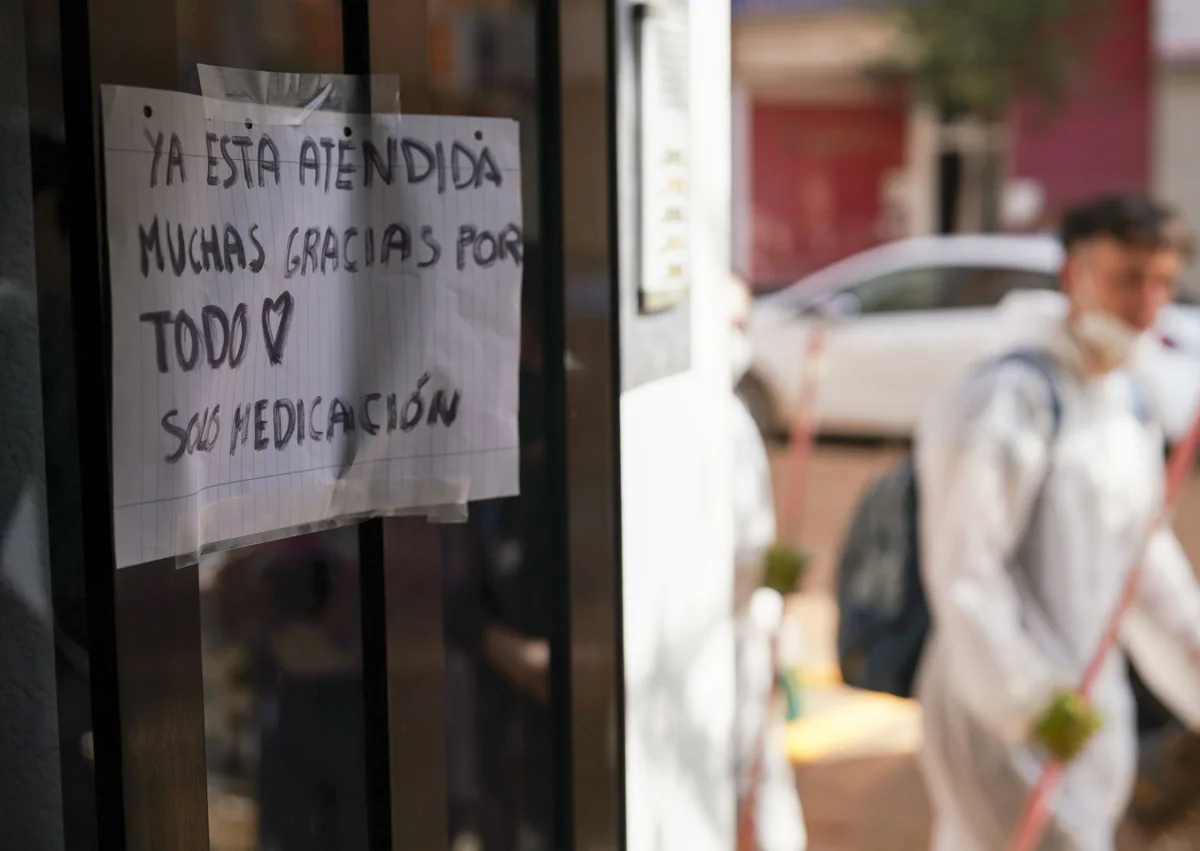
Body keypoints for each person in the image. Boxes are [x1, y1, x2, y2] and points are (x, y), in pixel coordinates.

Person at [915, 193, 1200, 850]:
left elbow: (1145, 568)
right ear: (1075, 274)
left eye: (1162, 282)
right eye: (1128, 278)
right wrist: (1027, 699)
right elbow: (963, 567)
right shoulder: (1004, 399)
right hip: (995, 714)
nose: (1147, 302)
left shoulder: (1123, 404)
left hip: (1087, 708)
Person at [729, 275, 808, 851]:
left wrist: (774, 593)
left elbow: (754, 540)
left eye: (744, 324)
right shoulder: (715, 423)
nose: (740, 339)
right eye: (731, 325)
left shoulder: (733, 422)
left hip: (745, 634)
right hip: (715, 639)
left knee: (763, 773)